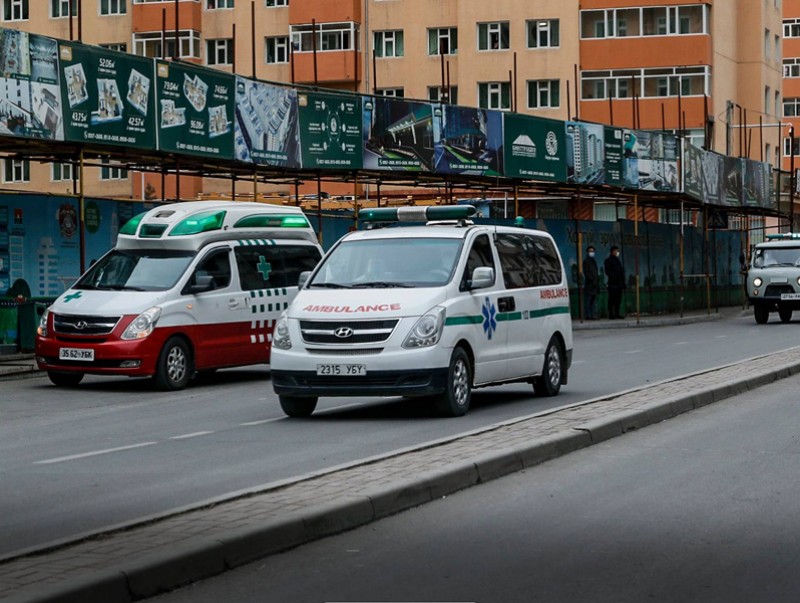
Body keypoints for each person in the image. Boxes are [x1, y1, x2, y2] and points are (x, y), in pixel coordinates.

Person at [604, 245, 626, 319]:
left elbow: (621, 272)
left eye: (618, 251)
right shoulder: (608, 260)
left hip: (619, 284)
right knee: (612, 300)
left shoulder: (618, 260)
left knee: (618, 300)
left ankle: (617, 313)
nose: (617, 252)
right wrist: (614, 276)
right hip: (612, 283)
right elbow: (607, 272)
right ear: (612, 251)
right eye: (616, 251)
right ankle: (611, 314)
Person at [582, 245, 599, 320]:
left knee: (593, 301)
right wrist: (592, 280)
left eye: (593, 251)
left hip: (594, 284)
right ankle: (588, 315)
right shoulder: (586, 261)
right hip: (590, 284)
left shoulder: (593, 261)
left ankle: (593, 315)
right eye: (590, 251)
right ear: (587, 252)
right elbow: (586, 273)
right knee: (588, 300)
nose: (592, 252)